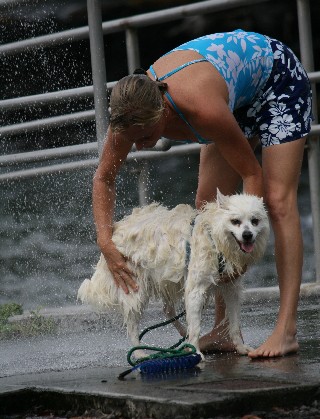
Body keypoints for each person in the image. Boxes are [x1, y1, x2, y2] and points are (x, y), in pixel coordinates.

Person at [92, 29, 313, 358]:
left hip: (276, 80)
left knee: (278, 202)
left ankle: (287, 330)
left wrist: (243, 254)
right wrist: (106, 242)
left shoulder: (200, 108)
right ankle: (223, 331)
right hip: (233, 96)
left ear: (162, 114)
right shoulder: (129, 116)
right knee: (208, 209)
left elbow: (251, 173)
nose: (137, 146)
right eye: (133, 138)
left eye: (146, 136)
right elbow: (103, 180)